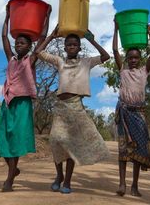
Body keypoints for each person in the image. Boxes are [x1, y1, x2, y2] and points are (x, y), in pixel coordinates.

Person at [35, 26, 111, 194]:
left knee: (71, 145)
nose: (71, 47)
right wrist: (51, 36)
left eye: (74, 45)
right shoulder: (59, 61)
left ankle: (67, 181)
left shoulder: (86, 62)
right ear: (64, 47)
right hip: (61, 108)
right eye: (68, 45)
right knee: (55, 140)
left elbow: (106, 56)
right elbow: (38, 52)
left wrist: (91, 39)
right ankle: (59, 176)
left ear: (79, 47)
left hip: (76, 106)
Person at [0, 2, 51, 192]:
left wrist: (47, 17)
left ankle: (9, 180)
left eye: (23, 43)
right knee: (3, 141)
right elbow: (4, 36)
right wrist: (7, 17)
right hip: (8, 103)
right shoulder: (11, 59)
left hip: (23, 104)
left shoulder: (31, 60)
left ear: (29, 46)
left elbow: (43, 37)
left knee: (17, 141)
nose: (19, 45)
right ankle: (14, 169)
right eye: (17, 42)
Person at [112, 19, 150, 197]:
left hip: (139, 114)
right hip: (124, 114)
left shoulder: (144, 72)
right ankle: (122, 184)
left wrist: (149, 33)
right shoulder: (122, 71)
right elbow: (115, 50)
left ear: (140, 60)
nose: (133, 60)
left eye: (136, 57)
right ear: (126, 60)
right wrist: (115, 29)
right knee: (123, 150)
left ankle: (135, 185)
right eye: (130, 57)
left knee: (139, 150)